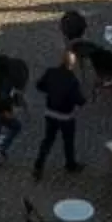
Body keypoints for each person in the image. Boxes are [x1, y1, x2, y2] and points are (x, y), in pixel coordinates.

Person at [32, 48, 86, 178]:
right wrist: (83, 100)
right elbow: (78, 100)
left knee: (48, 140)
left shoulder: (51, 72)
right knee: (68, 141)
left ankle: (38, 165)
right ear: (72, 64)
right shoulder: (72, 80)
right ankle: (70, 164)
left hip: (50, 112)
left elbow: (39, 85)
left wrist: (51, 91)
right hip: (65, 116)